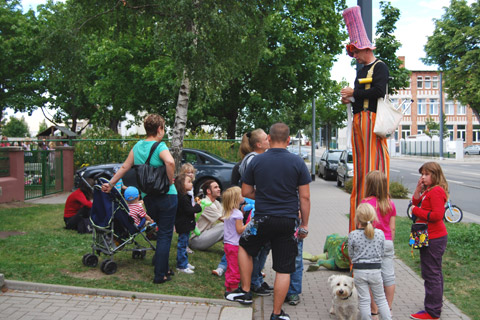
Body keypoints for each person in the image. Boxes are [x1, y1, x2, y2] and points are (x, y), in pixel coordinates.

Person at [227, 122, 311, 320]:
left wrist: (264, 197)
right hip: (288, 221)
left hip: (262, 219)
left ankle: (246, 291)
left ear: (270, 139)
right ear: (289, 140)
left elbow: (246, 192)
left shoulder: (257, 161)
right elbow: (305, 198)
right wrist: (304, 225)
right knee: (284, 268)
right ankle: (276, 314)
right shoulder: (298, 162)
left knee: (245, 246)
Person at [102, 114, 177, 284]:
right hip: (167, 196)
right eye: (163, 127)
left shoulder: (137, 147)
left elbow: (124, 167)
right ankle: (160, 274)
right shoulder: (160, 146)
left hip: (148, 197)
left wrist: (111, 184)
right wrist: (169, 180)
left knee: (161, 232)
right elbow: (170, 162)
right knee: (165, 235)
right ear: (159, 129)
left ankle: (163, 267)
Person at [341, 6, 390, 232]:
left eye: (356, 53)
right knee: (361, 171)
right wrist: (350, 100)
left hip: (371, 121)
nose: (355, 57)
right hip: (360, 121)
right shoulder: (361, 71)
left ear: (364, 49)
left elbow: (378, 92)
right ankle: (358, 222)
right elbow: (360, 96)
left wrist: (354, 94)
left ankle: (372, 219)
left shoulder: (380, 67)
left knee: (371, 169)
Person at [409, 162, 448, 320]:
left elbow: (437, 215)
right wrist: (418, 189)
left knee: (431, 274)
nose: (423, 177)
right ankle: (435, 304)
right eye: (422, 174)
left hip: (434, 237)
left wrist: (415, 210)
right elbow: (416, 201)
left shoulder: (436, 191)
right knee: (433, 272)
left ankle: (432, 311)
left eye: (426, 174)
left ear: (435, 175)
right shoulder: (429, 190)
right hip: (427, 234)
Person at [348, 203, 392, 320]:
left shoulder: (353, 235)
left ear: (357, 218)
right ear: (374, 217)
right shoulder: (380, 234)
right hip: (375, 271)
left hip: (359, 271)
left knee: (364, 300)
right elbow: (382, 252)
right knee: (381, 299)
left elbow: (351, 254)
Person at [362, 170, 396, 317]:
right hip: (387, 242)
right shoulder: (390, 203)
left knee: (372, 276)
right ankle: (387, 308)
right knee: (389, 277)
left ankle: (374, 308)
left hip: (370, 244)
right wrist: (389, 241)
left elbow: (360, 226)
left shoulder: (365, 203)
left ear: (368, 185)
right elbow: (392, 227)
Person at [222, 186, 248, 295]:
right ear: (236, 199)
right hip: (235, 245)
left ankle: (229, 286)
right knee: (235, 268)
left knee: (230, 266)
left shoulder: (228, 211)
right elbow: (239, 230)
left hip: (228, 243)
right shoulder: (237, 214)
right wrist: (249, 224)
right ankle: (233, 289)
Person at [174, 173, 202, 274]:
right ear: (182, 185)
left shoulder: (185, 196)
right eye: (189, 182)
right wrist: (198, 207)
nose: (192, 184)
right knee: (182, 245)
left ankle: (184, 262)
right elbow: (189, 210)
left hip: (186, 224)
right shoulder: (182, 198)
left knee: (185, 244)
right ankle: (181, 265)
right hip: (183, 224)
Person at [188, 180, 224, 251]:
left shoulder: (216, 203)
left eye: (218, 187)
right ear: (208, 191)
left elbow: (226, 216)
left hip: (204, 234)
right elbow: (224, 219)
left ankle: (231, 248)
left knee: (227, 225)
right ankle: (232, 249)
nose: (219, 189)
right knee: (226, 226)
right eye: (215, 187)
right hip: (195, 240)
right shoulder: (206, 204)